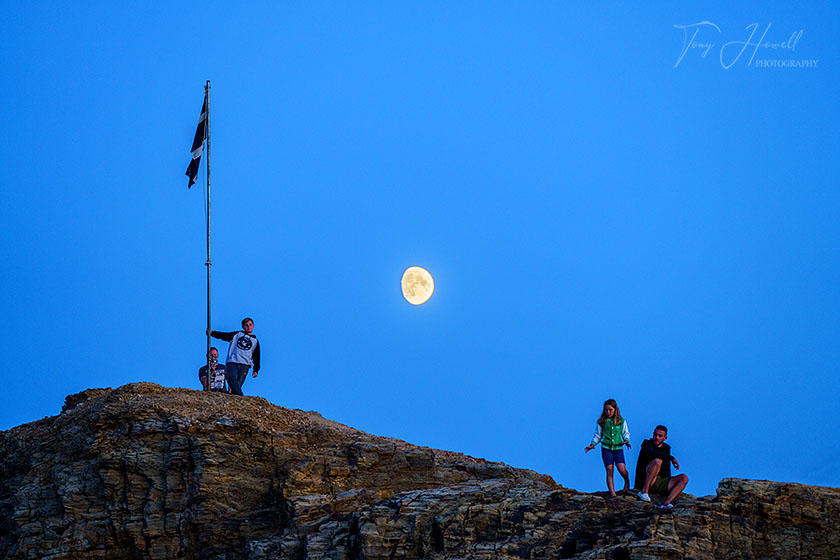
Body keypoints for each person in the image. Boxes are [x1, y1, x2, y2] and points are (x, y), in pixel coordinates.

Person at [585, 398, 632, 496]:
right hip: (606, 448)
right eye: (606, 410)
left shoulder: (621, 421)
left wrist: (626, 440)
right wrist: (592, 444)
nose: (608, 412)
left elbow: (625, 433)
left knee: (621, 469)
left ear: (615, 410)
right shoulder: (602, 422)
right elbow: (598, 435)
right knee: (609, 470)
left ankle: (627, 480)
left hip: (618, 448)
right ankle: (613, 493)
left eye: (610, 410)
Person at [634, 425, 689, 509]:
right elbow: (652, 453)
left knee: (684, 478)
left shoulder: (666, 448)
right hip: (646, 479)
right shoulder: (647, 444)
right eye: (655, 435)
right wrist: (671, 458)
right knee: (657, 461)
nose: (656, 437)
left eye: (660, 436)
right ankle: (644, 492)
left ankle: (666, 502)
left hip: (659, 481)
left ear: (665, 438)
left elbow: (667, 468)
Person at [208, 317, 260, 396]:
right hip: (233, 362)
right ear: (243, 327)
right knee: (232, 380)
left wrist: (256, 369)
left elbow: (256, 356)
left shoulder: (255, 341)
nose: (248, 327)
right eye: (246, 325)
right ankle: (241, 397)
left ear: (253, 326)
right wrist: (212, 333)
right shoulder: (237, 335)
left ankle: (235, 399)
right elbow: (224, 335)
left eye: (250, 325)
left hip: (245, 364)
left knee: (237, 385)